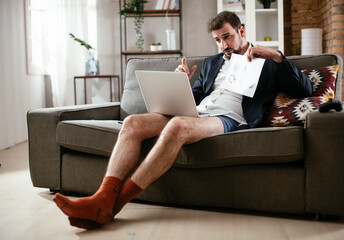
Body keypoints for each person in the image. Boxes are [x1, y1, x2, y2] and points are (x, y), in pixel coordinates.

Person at [53, 11, 312, 229]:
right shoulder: (212, 64)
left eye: (228, 36)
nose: (224, 44)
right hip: (197, 113)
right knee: (132, 122)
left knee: (177, 125)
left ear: (241, 31)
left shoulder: (268, 61)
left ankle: (111, 206)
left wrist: (277, 56)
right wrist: (180, 82)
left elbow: (305, 89)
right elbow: (191, 99)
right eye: (218, 40)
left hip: (228, 118)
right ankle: (101, 197)